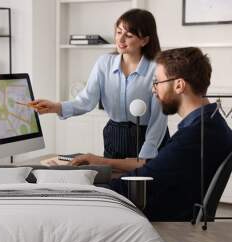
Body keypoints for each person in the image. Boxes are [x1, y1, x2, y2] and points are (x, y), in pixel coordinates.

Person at [71, 47, 232, 221]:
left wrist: (80, 185)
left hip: (158, 220)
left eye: (157, 82)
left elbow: (138, 183)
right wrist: (103, 162)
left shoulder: (195, 135)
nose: (153, 90)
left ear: (179, 85)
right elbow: (158, 165)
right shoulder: (210, 122)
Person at [31, 9, 169, 160]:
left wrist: (146, 155)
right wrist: (55, 107)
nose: (121, 39)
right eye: (118, 32)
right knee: (112, 182)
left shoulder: (158, 69)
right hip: (115, 136)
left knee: (146, 182)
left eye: (129, 35)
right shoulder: (104, 63)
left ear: (145, 40)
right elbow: (86, 101)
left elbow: (158, 120)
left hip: (148, 136)